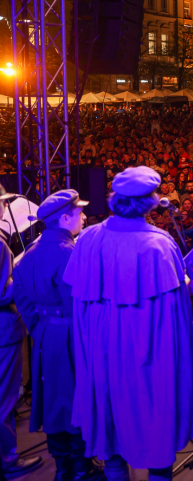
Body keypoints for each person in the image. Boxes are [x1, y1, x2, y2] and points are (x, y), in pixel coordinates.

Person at [63, 166, 193, 481]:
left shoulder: (88, 238)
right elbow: (175, 311)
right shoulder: (159, 244)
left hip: (102, 350)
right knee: (153, 415)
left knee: (109, 418)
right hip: (148, 352)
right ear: (150, 202)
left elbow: (78, 301)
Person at [11, 190, 100, 481]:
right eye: (79, 212)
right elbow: (80, 302)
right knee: (76, 397)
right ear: (64, 218)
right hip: (73, 334)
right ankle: (82, 468)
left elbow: (22, 300)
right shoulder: (70, 253)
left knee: (52, 398)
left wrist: (42, 329)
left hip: (45, 334)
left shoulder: (28, 254)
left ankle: (63, 468)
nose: (84, 217)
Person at [0, 210, 41, 479]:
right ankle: (7, 460)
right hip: (3, 333)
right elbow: (3, 293)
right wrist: (23, 275)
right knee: (4, 399)